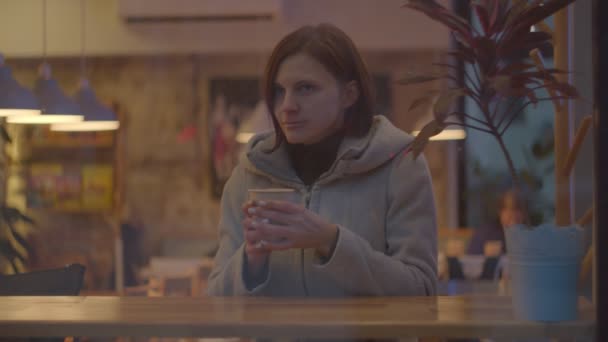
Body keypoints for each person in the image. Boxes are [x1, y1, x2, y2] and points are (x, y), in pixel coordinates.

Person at [207, 23, 437, 297]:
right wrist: (251, 262)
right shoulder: (247, 174)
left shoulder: (401, 166)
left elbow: (421, 292)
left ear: (349, 95)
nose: (287, 106)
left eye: (305, 88)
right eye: (280, 91)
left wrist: (330, 241)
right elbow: (217, 301)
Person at [467, 188, 528, 255]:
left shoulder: (530, 236)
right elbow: (472, 259)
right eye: (507, 209)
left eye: (518, 210)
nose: (513, 215)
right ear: (500, 212)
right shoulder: (485, 233)